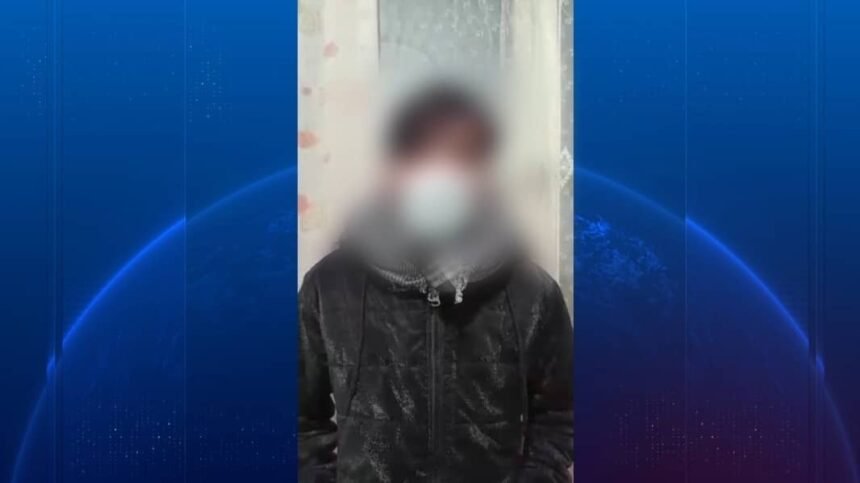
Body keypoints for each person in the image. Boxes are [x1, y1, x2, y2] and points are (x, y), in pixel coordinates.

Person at [298, 84, 573, 482]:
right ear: (392, 167)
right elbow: (301, 418)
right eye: (420, 153)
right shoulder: (330, 286)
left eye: (461, 155)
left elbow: (561, 415)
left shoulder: (532, 292)